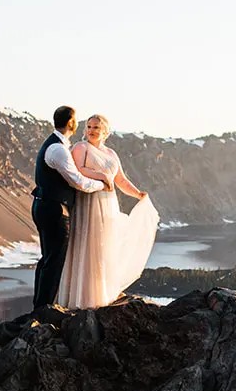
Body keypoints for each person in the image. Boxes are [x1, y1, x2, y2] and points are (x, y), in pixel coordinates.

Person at [58, 113, 160, 308]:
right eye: (88, 127)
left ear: (105, 131)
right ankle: (82, 299)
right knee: (88, 245)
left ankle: (100, 294)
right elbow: (77, 170)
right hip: (88, 201)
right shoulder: (81, 148)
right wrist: (102, 175)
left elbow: (120, 180)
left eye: (96, 127)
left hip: (107, 203)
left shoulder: (111, 153)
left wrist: (138, 194)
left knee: (104, 246)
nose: (91, 131)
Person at [32, 105, 112, 311]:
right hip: (54, 209)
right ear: (71, 123)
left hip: (44, 205)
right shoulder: (58, 149)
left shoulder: (55, 145)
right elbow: (78, 182)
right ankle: (44, 308)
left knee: (48, 258)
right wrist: (103, 184)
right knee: (55, 259)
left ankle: (40, 305)